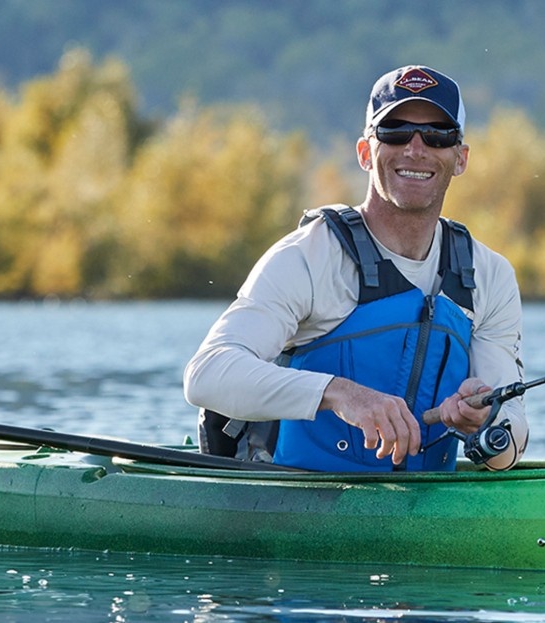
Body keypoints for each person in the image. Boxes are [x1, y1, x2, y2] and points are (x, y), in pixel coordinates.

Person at [184, 65, 527, 472]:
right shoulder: (308, 256)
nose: (416, 149)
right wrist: (341, 393)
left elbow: (509, 445)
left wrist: (484, 423)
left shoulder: (490, 275)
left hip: (427, 502)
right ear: (365, 153)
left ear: (460, 158)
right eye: (395, 132)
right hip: (295, 497)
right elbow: (206, 374)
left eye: (438, 135)